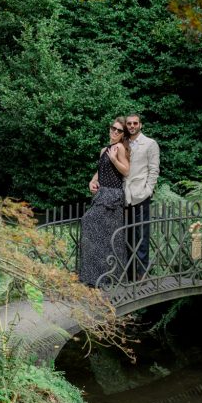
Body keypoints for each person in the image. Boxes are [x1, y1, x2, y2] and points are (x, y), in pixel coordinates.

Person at [80, 118, 130, 287]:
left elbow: (126, 170)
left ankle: (111, 277)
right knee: (99, 234)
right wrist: (92, 181)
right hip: (102, 194)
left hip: (113, 196)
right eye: (113, 128)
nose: (115, 132)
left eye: (119, 130)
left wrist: (115, 159)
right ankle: (94, 277)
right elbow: (100, 170)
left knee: (104, 232)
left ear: (123, 134)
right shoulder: (104, 150)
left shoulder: (121, 148)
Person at [122, 113, 159, 280]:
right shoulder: (123, 143)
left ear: (140, 125)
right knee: (127, 234)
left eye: (135, 123)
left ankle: (142, 273)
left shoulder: (150, 144)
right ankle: (129, 273)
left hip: (141, 194)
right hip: (124, 195)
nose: (132, 126)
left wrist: (148, 190)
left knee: (141, 234)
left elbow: (154, 169)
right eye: (129, 123)